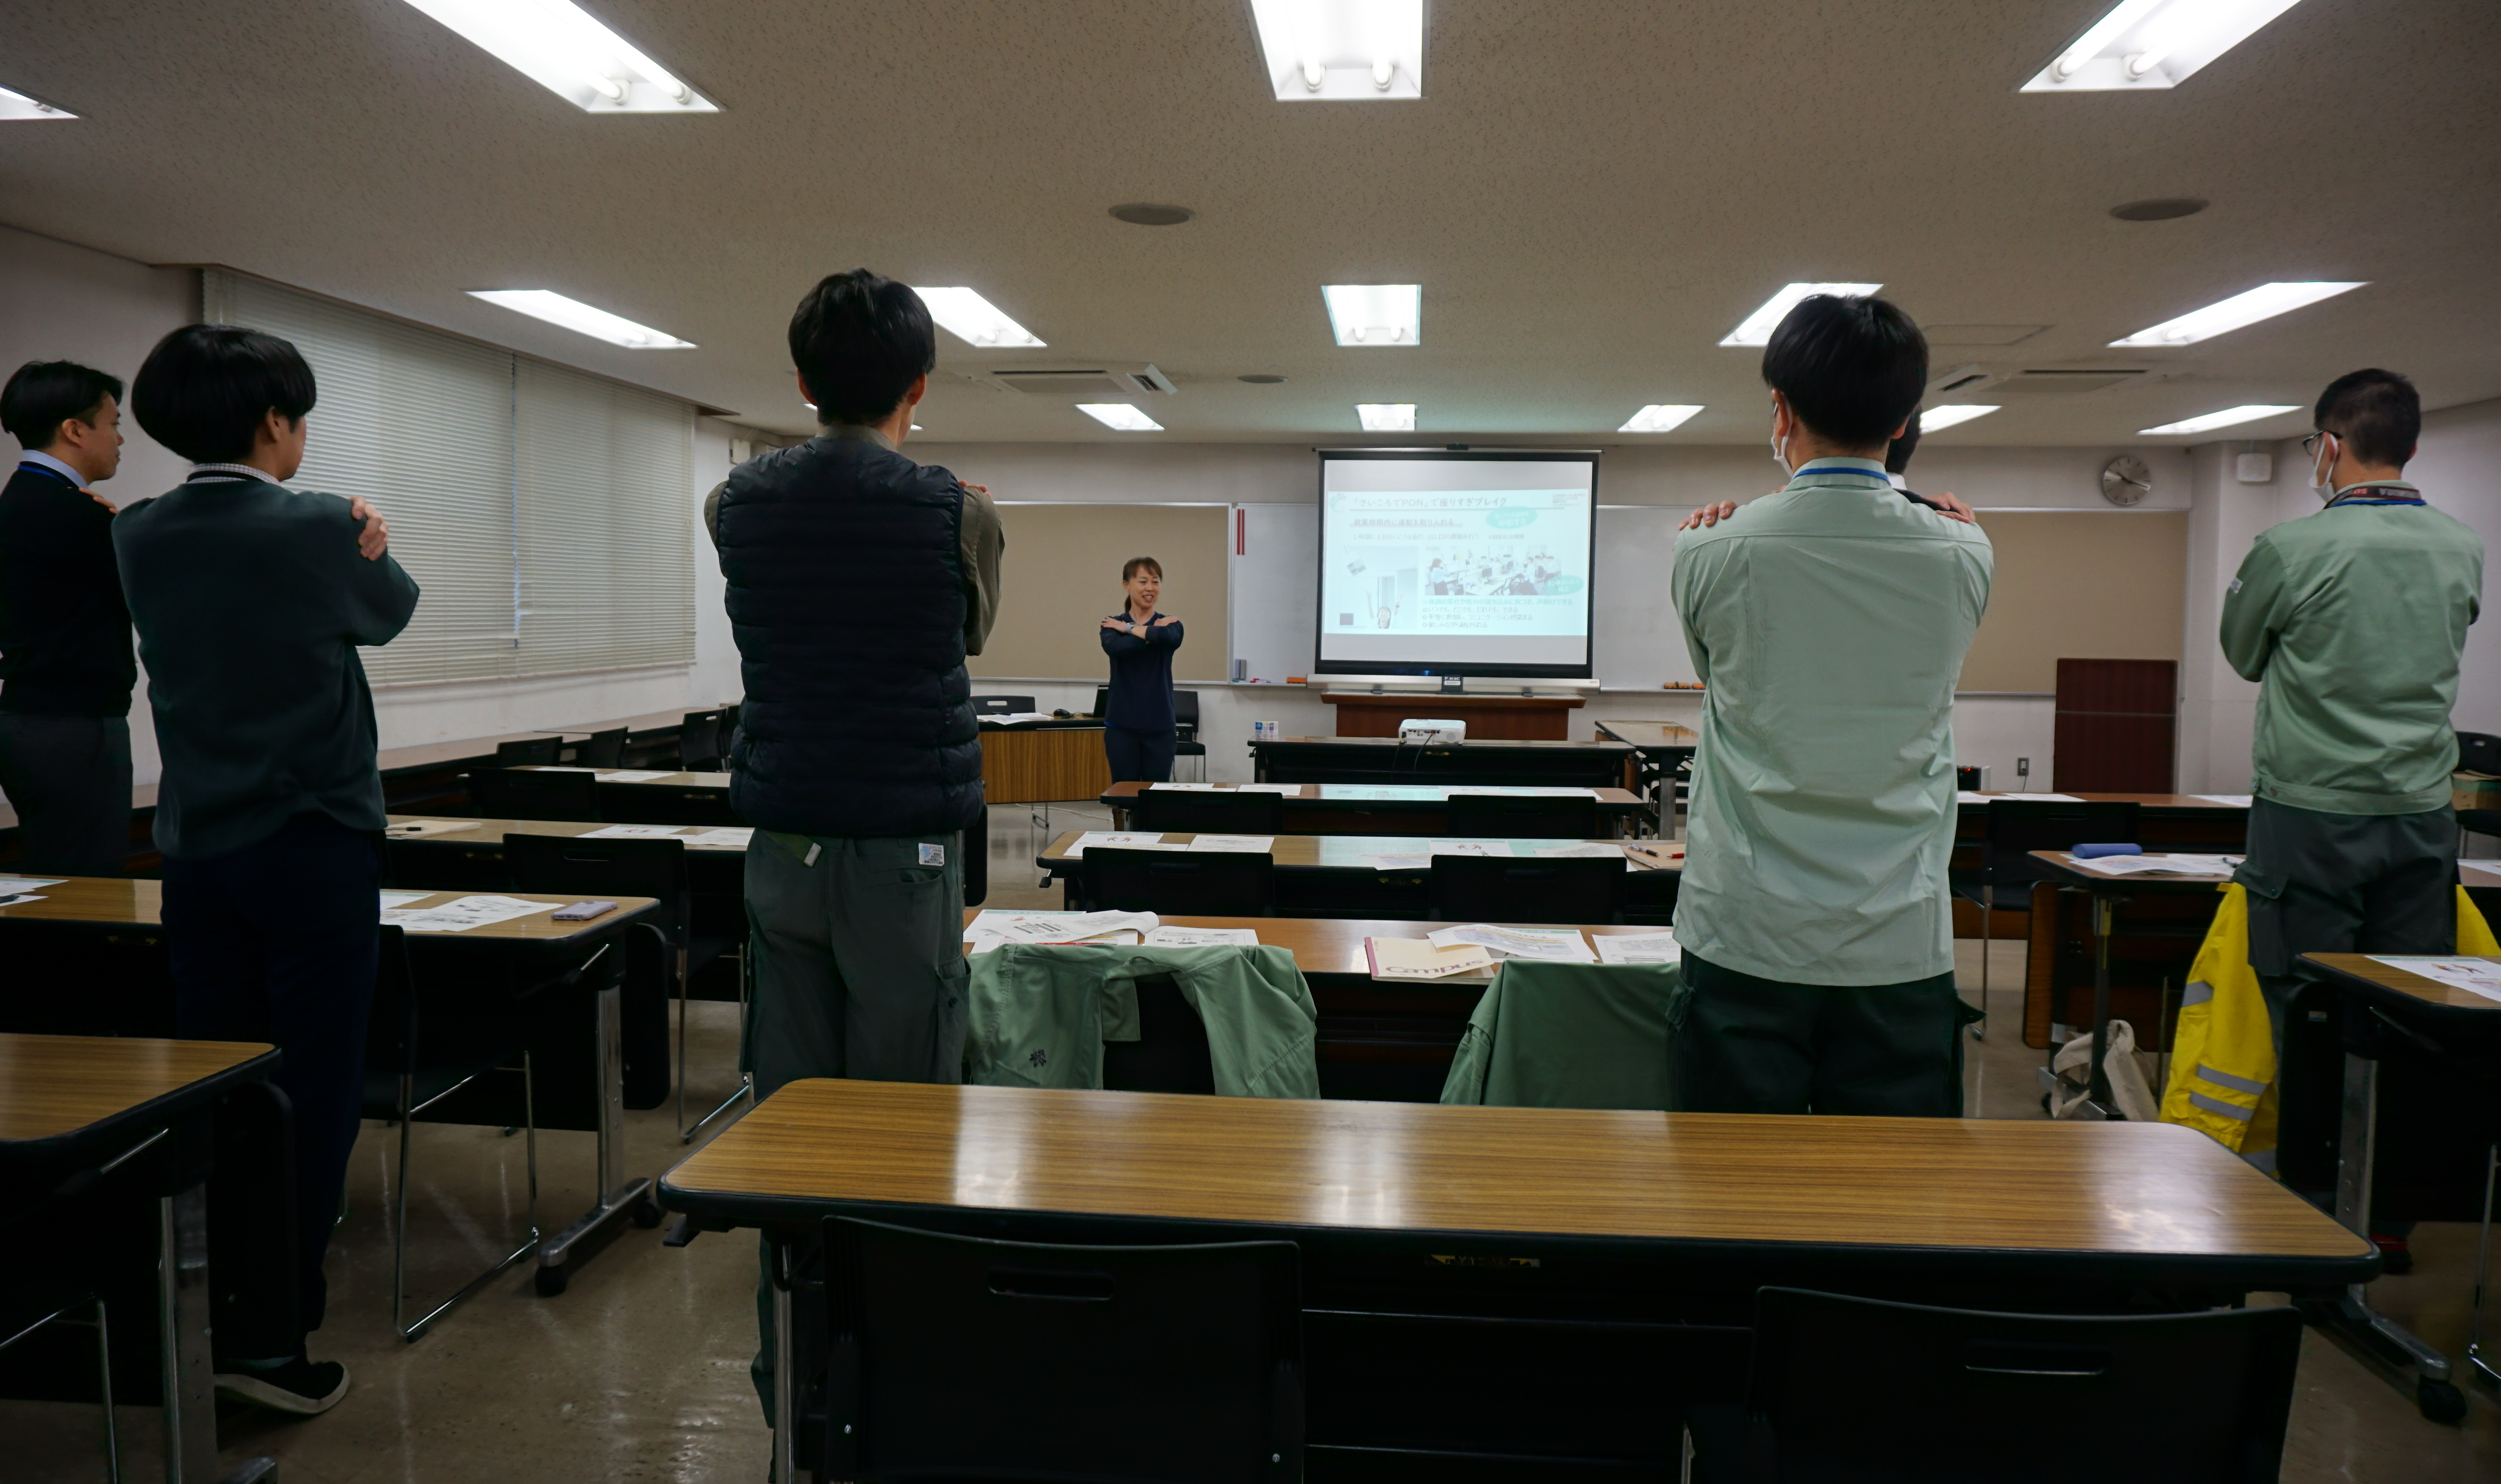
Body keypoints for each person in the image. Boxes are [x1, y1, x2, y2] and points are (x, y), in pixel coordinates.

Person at [705, 268, 1004, 1424]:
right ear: (917, 385)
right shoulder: (956, 510)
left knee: (788, 1123)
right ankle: (896, 1392)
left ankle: (792, 1384)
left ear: (800, 382)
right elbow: (967, 631)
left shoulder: (734, 502)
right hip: (899, 855)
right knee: (905, 1123)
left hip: (783, 846)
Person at [117, 324, 417, 1413]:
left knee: (219, 1085)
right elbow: (393, 611)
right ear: (274, 422)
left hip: (195, 848)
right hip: (311, 842)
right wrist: (370, 537)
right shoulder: (319, 524)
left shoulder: (138, 532)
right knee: (313, 1089)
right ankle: (276, 1337)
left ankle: (209, 1314)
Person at [1668, 294, 1994, 1116]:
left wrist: (1717, 537)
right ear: (1905, 418)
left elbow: (1717, 676)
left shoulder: (1708, 548)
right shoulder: (1966, 551)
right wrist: (1961, 535)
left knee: (1726, 1177)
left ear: (1780, 410)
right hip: (1897, 934)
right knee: (1893, 1186)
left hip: (1745, 928)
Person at [2222, 369, 2482, 1109]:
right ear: (2410, 447)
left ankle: (2312, 1170)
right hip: (2421, 814)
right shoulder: (2461, 545)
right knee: (2410, 1003)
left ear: (2329, 447)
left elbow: (2243, 655)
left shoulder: (2287, 548)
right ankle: (2393, 1178)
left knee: (2307, 1000)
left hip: (2310, 813)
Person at [0, 360, 136, 875]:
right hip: (75, 729)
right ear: (75, 430)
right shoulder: (78, 515)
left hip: (28, 720)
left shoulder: (18, 503)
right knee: (86, 888)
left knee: (55, 877)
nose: (120, 439)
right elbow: (158, 594)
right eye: (114, 423)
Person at [1099, 556, 1183, 782]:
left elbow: (1168, 637)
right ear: (1127, 585)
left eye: (1156, 582)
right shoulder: (1111, 625)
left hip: (1160, 726)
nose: (1150, 588)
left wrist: (1128, 629)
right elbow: (1118, 649)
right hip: (1121, 726)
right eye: (1143, 582)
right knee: (1123, 794)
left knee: (1156, 796)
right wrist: (1151, 634)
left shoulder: (1171, 624)